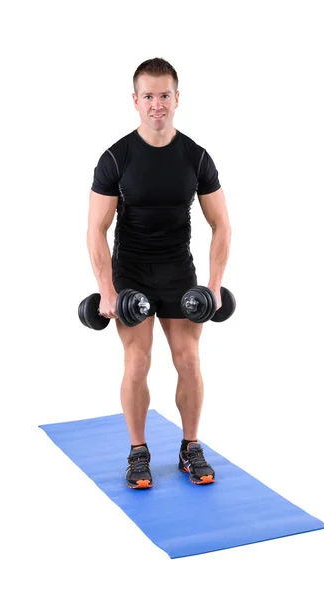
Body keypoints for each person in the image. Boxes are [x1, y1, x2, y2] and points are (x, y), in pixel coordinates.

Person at [87, 57, 231, 489]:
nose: (156, 105)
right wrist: (107, 291)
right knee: (138, 363)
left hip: (177, 272)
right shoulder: (115, 157)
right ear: (135, 101)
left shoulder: (196, 157)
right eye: (148, 96)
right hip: (130, 272)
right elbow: (96, 228)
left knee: (188, 360)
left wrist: (214, 286)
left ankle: (190, 447)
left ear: (177, 98)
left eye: (164, 95)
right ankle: (138, 452)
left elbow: (221, 223)